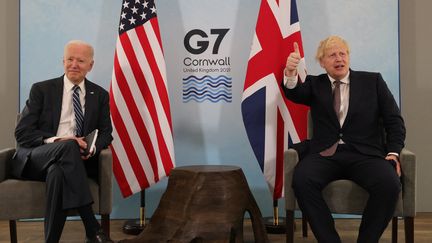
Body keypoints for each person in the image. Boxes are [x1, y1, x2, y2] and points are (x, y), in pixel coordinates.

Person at [281, 35, 405, 243]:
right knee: (302, 180)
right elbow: (294, 92)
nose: (339, 58)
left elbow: (394, 121)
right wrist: (291, 72)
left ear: (348, 57)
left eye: (342, 53)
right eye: (332, 55)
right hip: (325, 154)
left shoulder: (373, 81)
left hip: (365, 154)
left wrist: (393, 153)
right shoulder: (315, 84)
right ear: (322, 62)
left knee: (389, 183)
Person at [12, 40, 114, 243]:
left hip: (74, 162)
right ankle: (92, 227)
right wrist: (59, 140)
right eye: (70, 59)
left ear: (90, 65)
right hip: (38, 156)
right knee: (68, 145)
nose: (74, 64)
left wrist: (92, 149)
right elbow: (22, 133)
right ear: (63, 61)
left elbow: (106, 132)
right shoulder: (41, 90)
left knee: (57, 173)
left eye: (80, 60)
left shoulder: (100, 95)